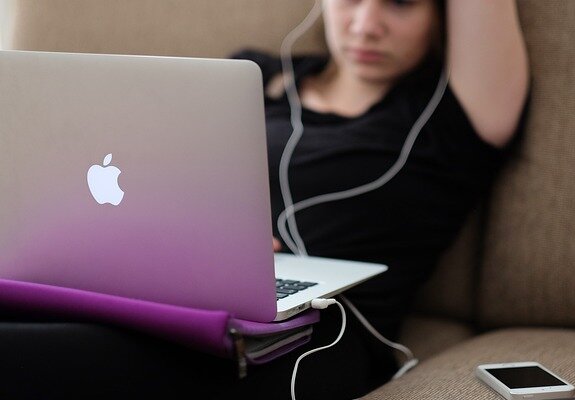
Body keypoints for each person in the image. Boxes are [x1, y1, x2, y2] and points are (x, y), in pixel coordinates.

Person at [0, 1, 531, 399]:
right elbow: (156, 183)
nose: (367, 24)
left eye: (400, 2)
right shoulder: (248, 78)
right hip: (184, 290)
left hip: (315, 333)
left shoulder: (451, 115)